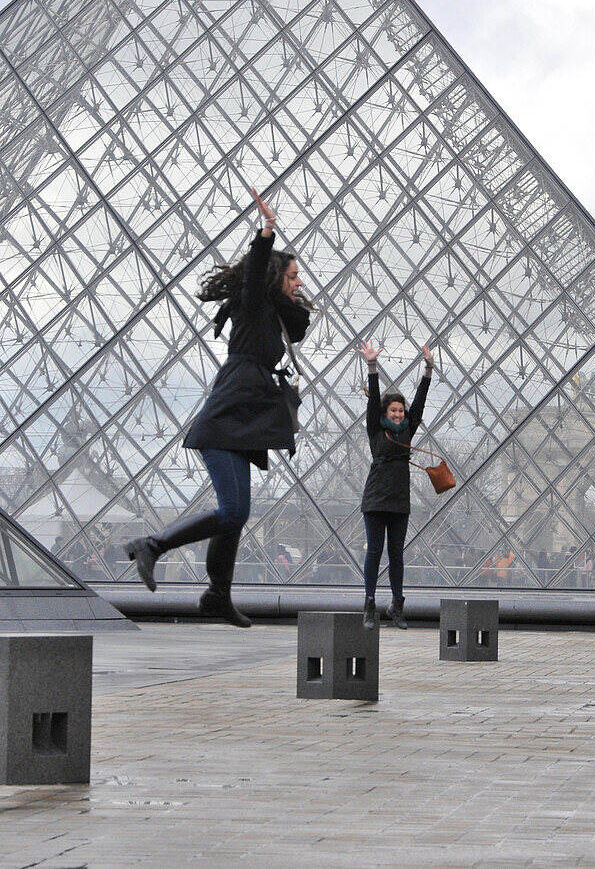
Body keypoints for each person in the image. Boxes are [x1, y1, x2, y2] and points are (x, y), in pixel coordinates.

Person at [124, 188, 312, 627]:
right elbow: (251, 284)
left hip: (245, 420)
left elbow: (295, 324)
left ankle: (217, 596)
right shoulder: (252, 305)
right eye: (294, 274)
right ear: (274, 276)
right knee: (231, 511)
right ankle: (153, 545)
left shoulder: (275, 314)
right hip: (228, 415)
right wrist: (266, 232)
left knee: (238, 513)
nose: (300, 281)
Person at [358, 339, 434, 630]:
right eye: (394, 410)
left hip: (400, 500)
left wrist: (428, 369)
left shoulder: (408, 429)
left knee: (397, 555)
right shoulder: (375, 428)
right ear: (384, 412)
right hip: (376, 498)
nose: (399, 414)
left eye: (401, 410)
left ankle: (397, 606)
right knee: (375, 552)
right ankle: (369, 604)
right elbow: (373, 395)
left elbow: (421, 402)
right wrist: (372, 365)